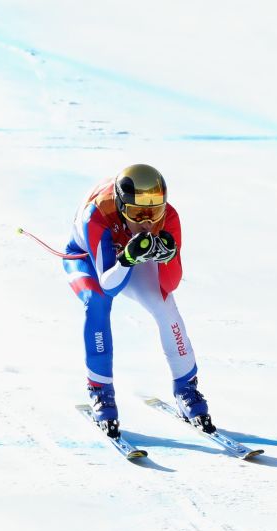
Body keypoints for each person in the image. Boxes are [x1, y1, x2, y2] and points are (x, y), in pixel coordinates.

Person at [63, 163, 213, 438]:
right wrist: (128, 258)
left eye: (154, 212)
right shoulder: (97, 214)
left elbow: (170, 283)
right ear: (121, 207)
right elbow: (109, 286)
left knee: (164, 304)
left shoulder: (168, 217)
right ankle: (100, 390)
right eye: (137, 213)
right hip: (89, 260)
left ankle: (186, 388)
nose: (147, 221)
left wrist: (167, 258)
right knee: (97, 303)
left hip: (128, 257)